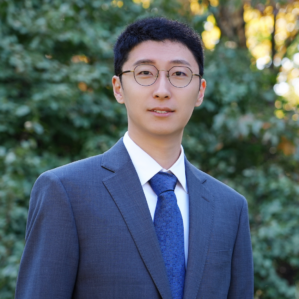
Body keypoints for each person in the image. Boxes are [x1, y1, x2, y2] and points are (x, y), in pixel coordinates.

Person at [15, 17, 254, 299]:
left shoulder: (229, 208)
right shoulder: (65, 192)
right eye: (145, 73)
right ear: (118, 88)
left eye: (179, 74)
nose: (162, 90)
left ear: (199, 91)